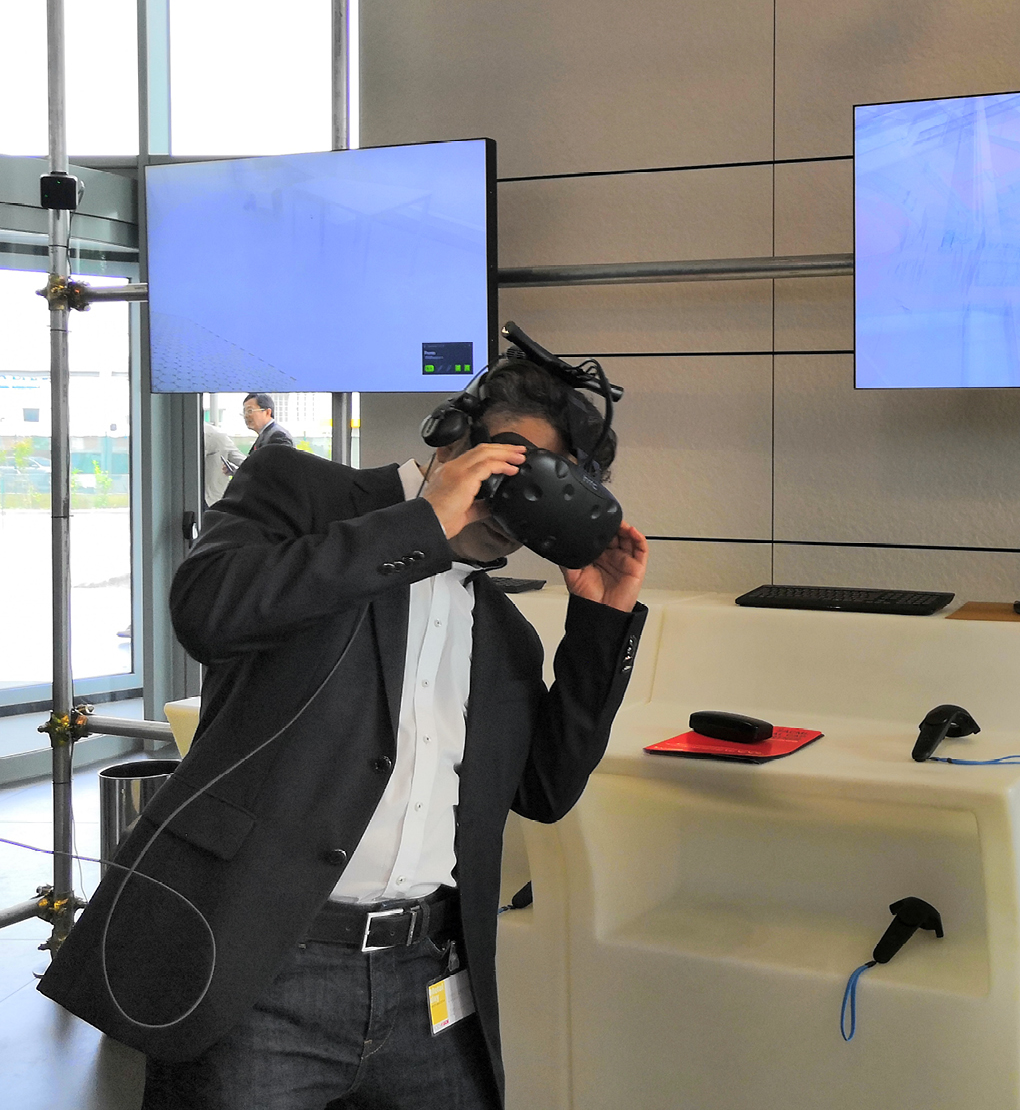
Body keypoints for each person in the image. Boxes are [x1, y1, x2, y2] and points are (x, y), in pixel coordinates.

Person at [41, 358, 649, 1109]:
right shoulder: (301, 490)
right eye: (510, 469)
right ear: (451, 436)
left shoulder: (503, 637)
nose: (518, 503)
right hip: (263, 967)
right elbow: (207, 611)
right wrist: (423, 525)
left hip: (428, 980)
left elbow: (545, 790)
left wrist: (601, 619)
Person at [202, 420, 246, 508]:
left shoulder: (216, 434)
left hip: (212, 498)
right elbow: (242, 461)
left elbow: (242, 461)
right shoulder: (218, 434)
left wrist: (236, 472)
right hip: (210, 497)